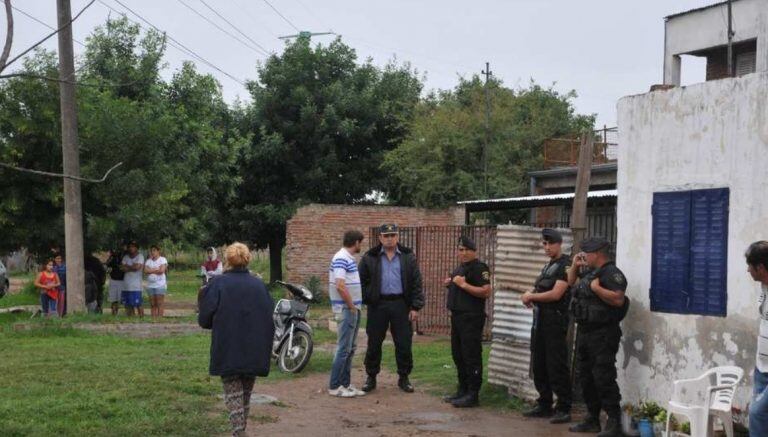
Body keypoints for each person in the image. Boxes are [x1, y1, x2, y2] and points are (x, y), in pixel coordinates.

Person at [198, 242, 274, 437]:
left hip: (228, 346)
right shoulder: (259, 285)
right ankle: (240, 432)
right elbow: (269, 315)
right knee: (245, 396)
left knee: (233, 396)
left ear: (228, 260)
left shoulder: (217, 284)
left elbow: (205, 320)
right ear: (247, 259)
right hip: (255, 347)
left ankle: (238, 433)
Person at [567, 237, 629, 437]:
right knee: (585, 377)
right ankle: (592, 419)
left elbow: (618, 299)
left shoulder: (612, 273)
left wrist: (597, 288)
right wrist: (575, 267)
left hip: (603, 334)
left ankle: (614, 422)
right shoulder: (591, 272)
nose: (584, 256)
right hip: (586, 332)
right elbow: (570, 281)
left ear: (597, 253)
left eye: (587, 253)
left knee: (603, 377)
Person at [359, 223, 424, 393]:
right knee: (374, 342)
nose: (389, 239)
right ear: (380, 238)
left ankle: (404, 377)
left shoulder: (408, 257)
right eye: (386, 236)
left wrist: (415, 307)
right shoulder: (369, 257)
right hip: (378, 305)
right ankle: (371, 377)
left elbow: (416, 282)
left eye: (392, 235)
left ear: (397, 237)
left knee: (403, 342)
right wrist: (369, 297)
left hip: (401, 305)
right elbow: (361, 281)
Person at [520, 229, 573, 424]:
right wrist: (530, 296)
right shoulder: (548, 267)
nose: (547, 247)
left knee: (556, 364)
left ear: (560, 244)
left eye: (551, 243)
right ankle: (544, 403)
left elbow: (556, 294)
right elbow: (541, 289)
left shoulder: (566, 265)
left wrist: (531, 296)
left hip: (555, 321)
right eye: (544, 244)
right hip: (540, 320)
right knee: (539, 364)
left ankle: (564, 407)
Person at [443, 235, 492, 408]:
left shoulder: (480, 268)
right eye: (460, 250)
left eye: (466, 250)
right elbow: (458, 284)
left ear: (473, 251)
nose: (462, 253)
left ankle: (473, 393)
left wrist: (463, 285)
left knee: (471, 355)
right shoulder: (460, 268)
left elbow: (486, 291)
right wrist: (451, 283)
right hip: (457, 317)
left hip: (471, 318)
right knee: (458, 355)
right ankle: (462, 389)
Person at [328, 230, 366, 398]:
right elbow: (340, 285)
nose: (361, 246)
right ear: (356, 242)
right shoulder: (341, 258)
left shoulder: (348, 258)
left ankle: (345, 383)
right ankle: (335, 386)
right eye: (360, 243)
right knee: (344, 348)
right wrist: (350, 306)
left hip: (353, 308)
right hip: (347, 309)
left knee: (350, 348)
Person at [747, 241, 768, 436]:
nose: (747, 270)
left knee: (757, 413)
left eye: (750, 266)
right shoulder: (764, 286)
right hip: (762, 367)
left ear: (760, 268)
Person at [121, 241, 145, 317]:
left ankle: (141, 318)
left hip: (136, 286)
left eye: (133, 247)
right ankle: (130, 319)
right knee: (127, 305)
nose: (131, 248)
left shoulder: (140, 256)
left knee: (138, 304)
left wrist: (128, 266)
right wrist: (133, 266)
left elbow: (137, 267)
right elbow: (123, 268)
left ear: (137, 248)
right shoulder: (125, 257)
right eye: (130, 247)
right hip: (126, 285)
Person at [144, 245, 169, 318]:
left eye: (154, 250)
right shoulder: (148, 261)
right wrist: (155, 270)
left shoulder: (162, 259)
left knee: (159, 303)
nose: (152, 252)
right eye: (151, 250)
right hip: (150, 285)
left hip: (160, 284)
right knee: (152, 303)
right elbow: (145, 271)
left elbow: (161, 270)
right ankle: (153, 318)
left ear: (158, 251)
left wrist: (150, 271)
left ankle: (160, 318)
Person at [106, 246, 126, 315]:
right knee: (113, 299)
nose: (116, 251)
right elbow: (107, 264)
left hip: (122, 280)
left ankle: (124, 313)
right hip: (113, 280)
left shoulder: (124, 257)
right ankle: (113, 313)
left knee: (121, 299)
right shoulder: (112, 258)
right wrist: (111, 256)